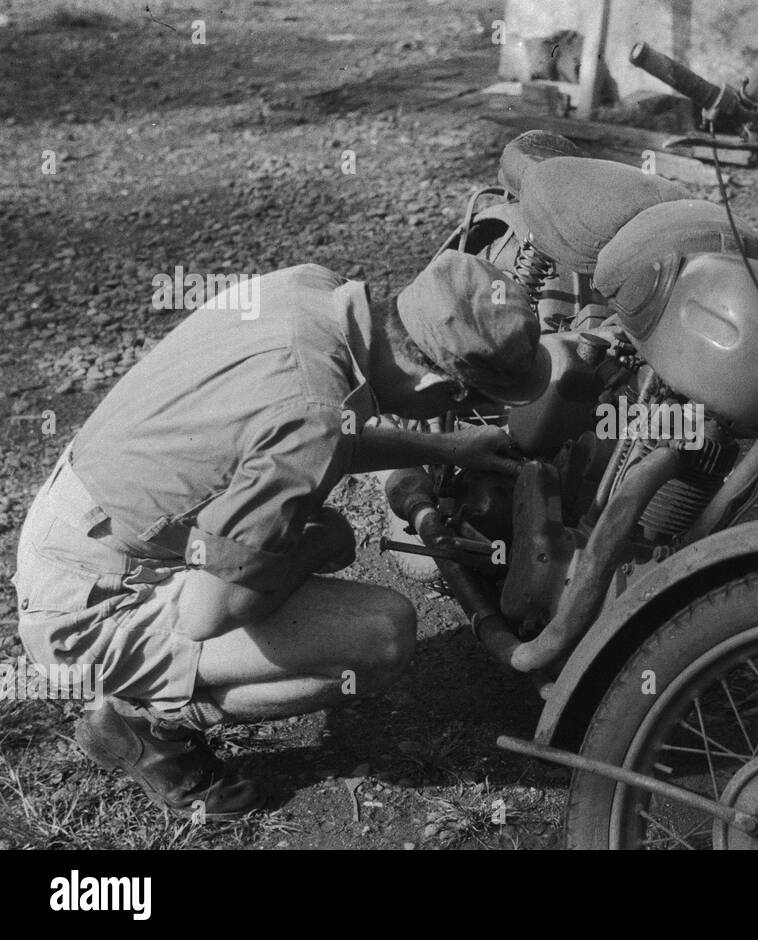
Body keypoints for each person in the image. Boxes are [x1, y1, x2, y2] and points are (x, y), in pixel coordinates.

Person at [9, 250, 549, 818]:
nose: (453, 411)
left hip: (82, 521)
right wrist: (312, 548)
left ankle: (154, 691)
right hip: (83, 607)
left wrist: (446, 447)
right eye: (461, 401)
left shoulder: (313, 292)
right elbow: (204, 616)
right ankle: (144, 724)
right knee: (380, 635)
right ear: (438, 379)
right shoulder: (312, 415)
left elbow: (312, 428)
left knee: (323, 537)